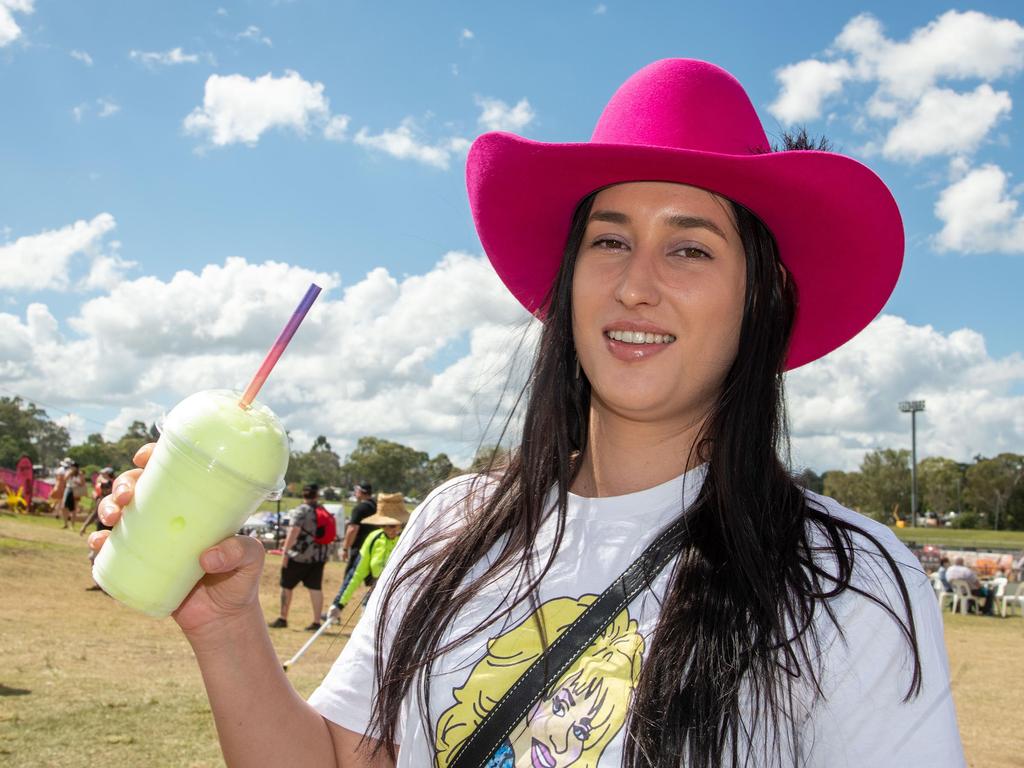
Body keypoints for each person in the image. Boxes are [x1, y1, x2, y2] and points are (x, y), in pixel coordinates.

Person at [92, 59, 964, 766]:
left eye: (690, 246)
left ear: (761, 294)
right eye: (610, 239)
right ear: (569, 276)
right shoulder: (452, 525)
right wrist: (228, 623)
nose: (634, 283)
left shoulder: (846, 583)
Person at [326, 494, 408, 621]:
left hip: (399, 598)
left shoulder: (407, 541)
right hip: (374, 594)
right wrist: (339, 604)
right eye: (383, 525)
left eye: (392, 525)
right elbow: (357, 574)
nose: (388, 529)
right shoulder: (373, 538)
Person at [268, 484, 331, 631]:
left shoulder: (301, 510)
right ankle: (316, 622)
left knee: (286, 586)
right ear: (316, 495)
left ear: (304, 495)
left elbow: (294, 531)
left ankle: (283, 618)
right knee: (315, 588)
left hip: (299, 556)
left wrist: (285, 552)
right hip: (319, 557)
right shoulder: (322, 510)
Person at [340, 482, 378, 575]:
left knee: (349, 578)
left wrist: (345, 549)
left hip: (359, 547)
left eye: (356, 490)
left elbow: (352, 530)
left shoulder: (359, 508)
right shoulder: (376, 506)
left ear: (361, 492)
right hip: (375, 546)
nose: (355, 492)